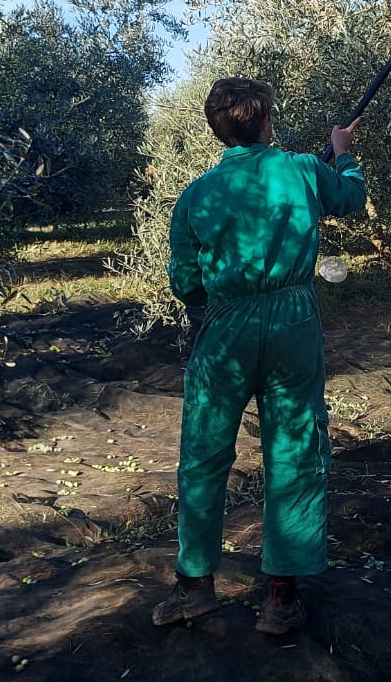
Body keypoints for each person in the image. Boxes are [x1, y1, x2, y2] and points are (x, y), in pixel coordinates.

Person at [152, 77, 366, 636]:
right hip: (294, 322)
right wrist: (342, 156)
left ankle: (194, 586)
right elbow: (351, 199)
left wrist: (217, 303)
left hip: (226, 325)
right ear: (266, 120)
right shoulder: (301, 169)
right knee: (294, 448)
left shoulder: (197, 193)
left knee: (203, 454)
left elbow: (183, 280)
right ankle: (279, 598)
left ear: (217, 129)